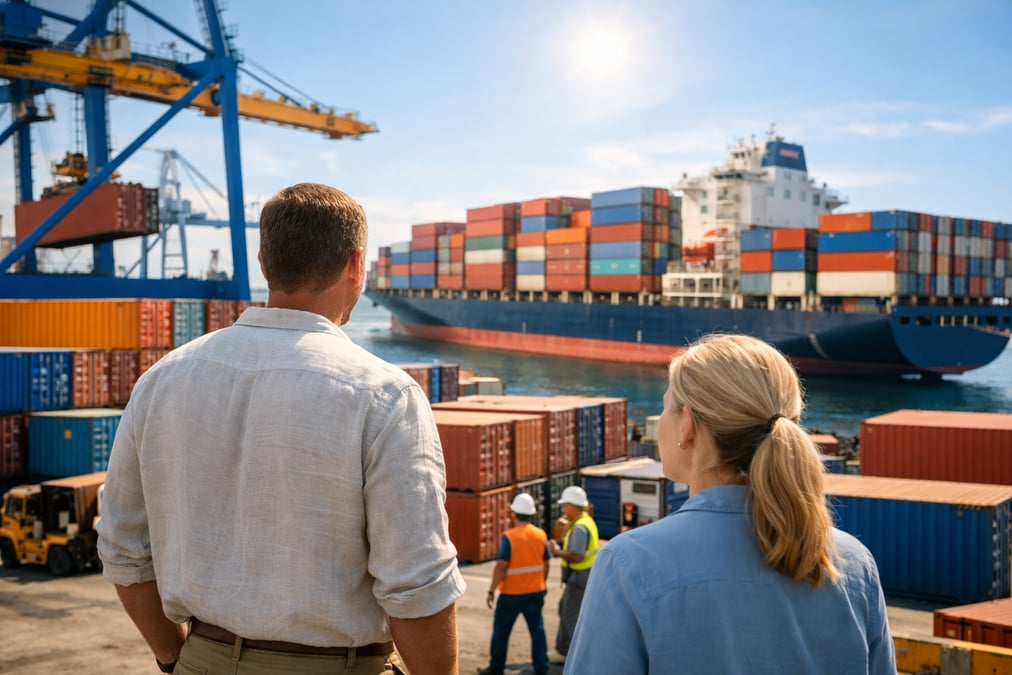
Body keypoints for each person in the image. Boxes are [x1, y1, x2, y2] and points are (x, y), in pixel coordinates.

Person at [97, 183, 466, 675]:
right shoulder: (385, 396)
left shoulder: (161, 380)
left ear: (263, 263)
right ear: (356, 265)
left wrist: (174, 656)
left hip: (199, 662)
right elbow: (417, 586)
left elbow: (122, 550)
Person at [564, 334, 896, 674]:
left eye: (664, 407)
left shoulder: (628, 563)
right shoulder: (853, 564)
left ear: (687, 425)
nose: (660, 420)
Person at [478, 493, 551, 675]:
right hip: (536, 592)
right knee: (537, 631)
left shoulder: (509, 537)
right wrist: (542, 582)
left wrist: (491, 590)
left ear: (514, 514)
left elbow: (501, 565)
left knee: (501, 632)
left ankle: (496, 669)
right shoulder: (540, 535)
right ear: (531, 514)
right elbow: (546, 563)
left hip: (512, 594)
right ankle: (542, 668)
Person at [547, 485, 597, 665]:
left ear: (573, 505)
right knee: (565, 609)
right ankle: (567, 649)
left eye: (564, 505)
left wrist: (557, 552)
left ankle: (565, 652)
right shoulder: (585, 521)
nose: (562, 510)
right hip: (585, 576)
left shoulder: (580, 528)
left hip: (579, 578)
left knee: (569, 614)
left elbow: (577, 555)